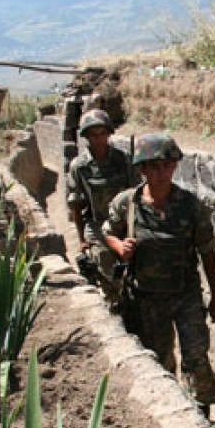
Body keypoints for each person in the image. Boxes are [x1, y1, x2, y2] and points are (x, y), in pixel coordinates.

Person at [103, 133, 215, 418]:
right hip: (146, 299)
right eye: (154, 166)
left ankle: (201, 418)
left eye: (167, 165)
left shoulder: (190, 206)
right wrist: (119, 247)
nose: (162, 172)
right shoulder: (127, 203)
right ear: (142, 169)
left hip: (186, 296)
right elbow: (107, 231)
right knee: (158, 359)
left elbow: (207, 251)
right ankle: (171, 415)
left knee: (196, 357)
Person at [65, 108, 135, 294]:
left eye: (103, 133)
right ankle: (114, 302)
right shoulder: (79, 166)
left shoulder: (123, 159)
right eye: (94, 135)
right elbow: (77, 203)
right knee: (107, 272)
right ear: (86, 137)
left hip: (125, 224)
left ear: (109, 133)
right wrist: (82, 239)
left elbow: (136, 192)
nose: (99, 139)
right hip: (97, 228)